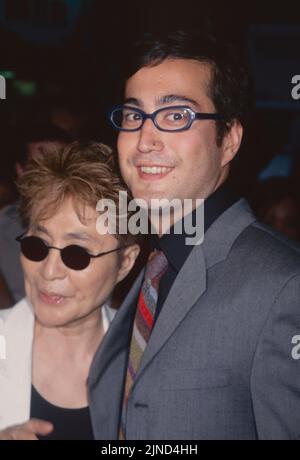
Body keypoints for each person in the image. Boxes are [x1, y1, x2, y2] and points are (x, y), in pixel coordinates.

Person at [89, 30, 300, 440]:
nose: (145, 139)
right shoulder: (151, 265)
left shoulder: (284, 286)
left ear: (229, 140)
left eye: (175, 116)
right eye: (134, 116)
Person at [0, 141, 140, 440]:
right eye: (36, 246)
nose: (49, 271)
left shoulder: (146, 358)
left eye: (77, 254)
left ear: (125, 262)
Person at [0, 123, 71, 305]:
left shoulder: (102, 229)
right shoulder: (3, 231)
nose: (53, 177)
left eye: (62, 166)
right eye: (40, 167)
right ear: (21, 171)